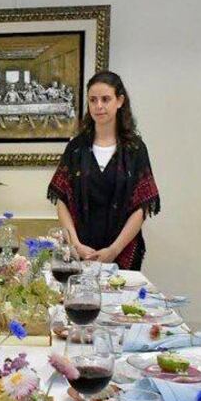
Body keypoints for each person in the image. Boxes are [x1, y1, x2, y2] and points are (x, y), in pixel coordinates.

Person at [47, 70, 160, 269]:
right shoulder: (76, 148)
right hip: (80, 255)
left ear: (120, 101)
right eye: (93, 100)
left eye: (106, 99)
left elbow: (142, 207)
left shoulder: (135, 149)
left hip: (122, 254)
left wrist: (114, 250)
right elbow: (62, 199)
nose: (98, 106)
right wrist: (75, 245)